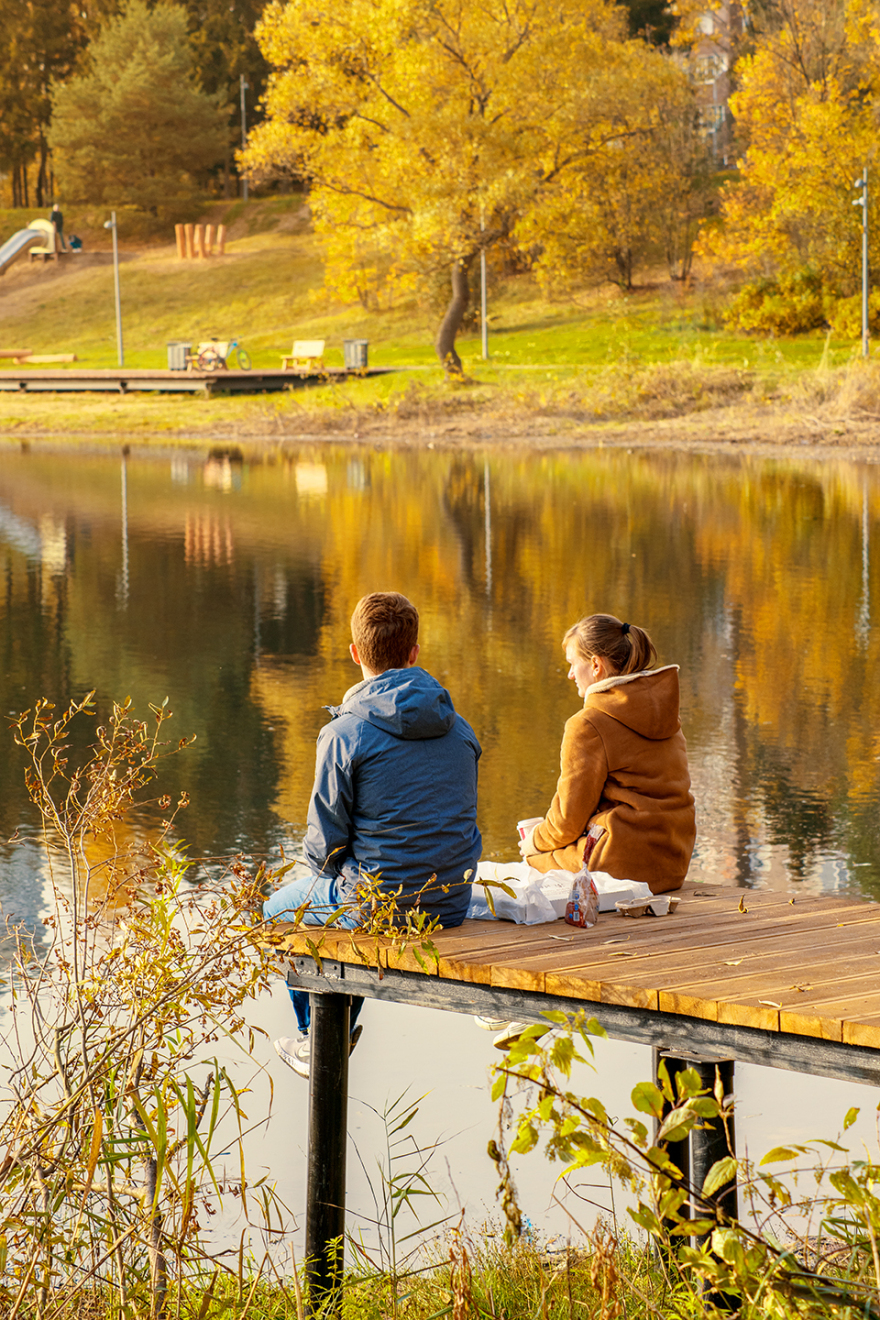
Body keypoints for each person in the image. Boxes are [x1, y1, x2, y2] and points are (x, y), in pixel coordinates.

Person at [263, 591, 482, 1076]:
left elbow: (323, 852)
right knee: (350, 894)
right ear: (414, 653)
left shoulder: (343, 735)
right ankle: (333, 1030)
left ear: (355, 653)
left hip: (381, 906)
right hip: (451, 902)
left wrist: (343, 871)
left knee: (278, 910)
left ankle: (316, 1036)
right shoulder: (461, 730)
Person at [519, 613, 695, 894]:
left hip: (619, 865)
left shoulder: (587, 724)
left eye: (572, 664)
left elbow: (567, 823)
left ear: (595, 665)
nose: (570, 674)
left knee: (530, 863)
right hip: (672, 864)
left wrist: (533, 842)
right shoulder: (667, 715)